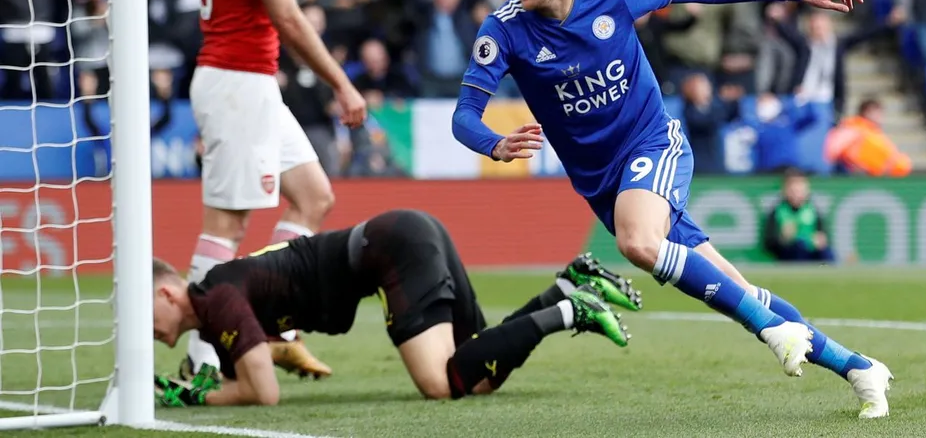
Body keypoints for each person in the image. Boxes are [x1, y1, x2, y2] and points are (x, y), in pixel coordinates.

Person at [451, 0, 892, 419]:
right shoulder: (504, 29)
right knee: (739, 290)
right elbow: (465, 115)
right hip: (603, 185)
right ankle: (859, 367)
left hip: (652, 145)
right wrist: (493, 144)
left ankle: (771, 332)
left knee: (636, 242)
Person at [183, 0, 373, 379]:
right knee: (226, 226)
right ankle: (204, 359)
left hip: (249, 84)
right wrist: (342, 84)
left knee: (313, 196)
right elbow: (286, 15)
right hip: (237, 84)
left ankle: (274, 329)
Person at [152, 209, 638, 407]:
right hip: (405, 233)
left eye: (146, 314)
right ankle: (564, 289)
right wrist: (281, 356)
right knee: (479, 373)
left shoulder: (216, 298)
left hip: (389, 251)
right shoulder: (217, 305)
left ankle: (572, 311)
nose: (149, 331)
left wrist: (200, 398)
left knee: (440, 383)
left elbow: (264, 391)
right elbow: (260, 357)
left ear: (167, 293)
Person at [763, 169, 836, 263]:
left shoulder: (813, 209)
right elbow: (768, 244)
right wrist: (783, 239)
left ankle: (827, 271)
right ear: (785, 190)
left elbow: (823, 236)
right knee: (799, 247)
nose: (796, 194)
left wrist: (820, 241)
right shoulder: (778, 211)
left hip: (811, 253)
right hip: (789, 255)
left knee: (827, 254)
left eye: (800, 189)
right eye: (793, 190)